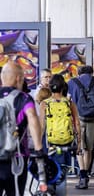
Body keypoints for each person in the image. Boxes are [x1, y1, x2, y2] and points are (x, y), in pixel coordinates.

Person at [0, 61, 43, 196]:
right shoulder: (24, 98)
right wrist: (38, 148)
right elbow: (32, 118)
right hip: (17, 159)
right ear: (18, 78)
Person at [67, 65, 94, 189]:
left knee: (80, 148)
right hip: (93, 119)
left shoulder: (72, 82)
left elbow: (67, 100)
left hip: (78, 119)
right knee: (89, 148)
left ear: (78, 73)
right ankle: (86, 174)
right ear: (91, 73)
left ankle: (82, 176)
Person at [39, 74, 81, 195]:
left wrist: (38, 145)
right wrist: (79, 143)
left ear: (50, 87)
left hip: (50, 142)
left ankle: (50, 188)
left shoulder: (45, 104)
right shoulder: (69, 103)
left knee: (50, 168)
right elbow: (77, 123)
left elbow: (42, 126)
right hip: (67, 142)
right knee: (63, 169)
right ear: (63, 87)